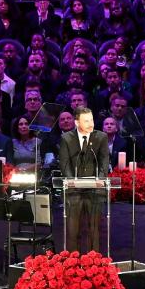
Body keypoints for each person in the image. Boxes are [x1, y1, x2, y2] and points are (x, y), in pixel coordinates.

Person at [58, 106, 110, 253]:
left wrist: (100, 180)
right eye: (86, 121)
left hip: (95, 191)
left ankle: (95, 263)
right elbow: (65, 163)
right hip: (74, 191)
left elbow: (104, 161)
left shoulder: (101, 137)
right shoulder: (66, 138)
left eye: (92, 120)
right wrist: (71, 181)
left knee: (94, 230)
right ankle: (73, 262)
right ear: (76, 122)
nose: (90, 124)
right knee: (74, 230)